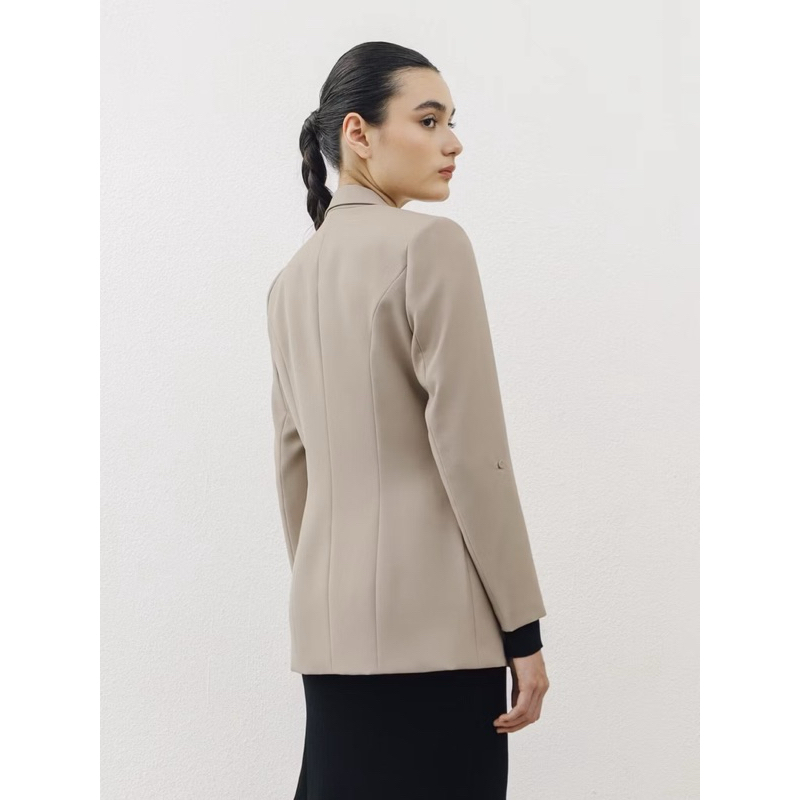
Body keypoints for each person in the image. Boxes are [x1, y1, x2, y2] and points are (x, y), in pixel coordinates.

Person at [266, 41, 551, 800]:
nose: (452, 142)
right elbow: (473, 454)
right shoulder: (431, 245)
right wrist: (522, 630)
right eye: (428, 121)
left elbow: (294, 470)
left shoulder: (289, 282)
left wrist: (328, 593)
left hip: (328, 635)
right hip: (439, 638)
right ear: (358, 133)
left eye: (451, 121)